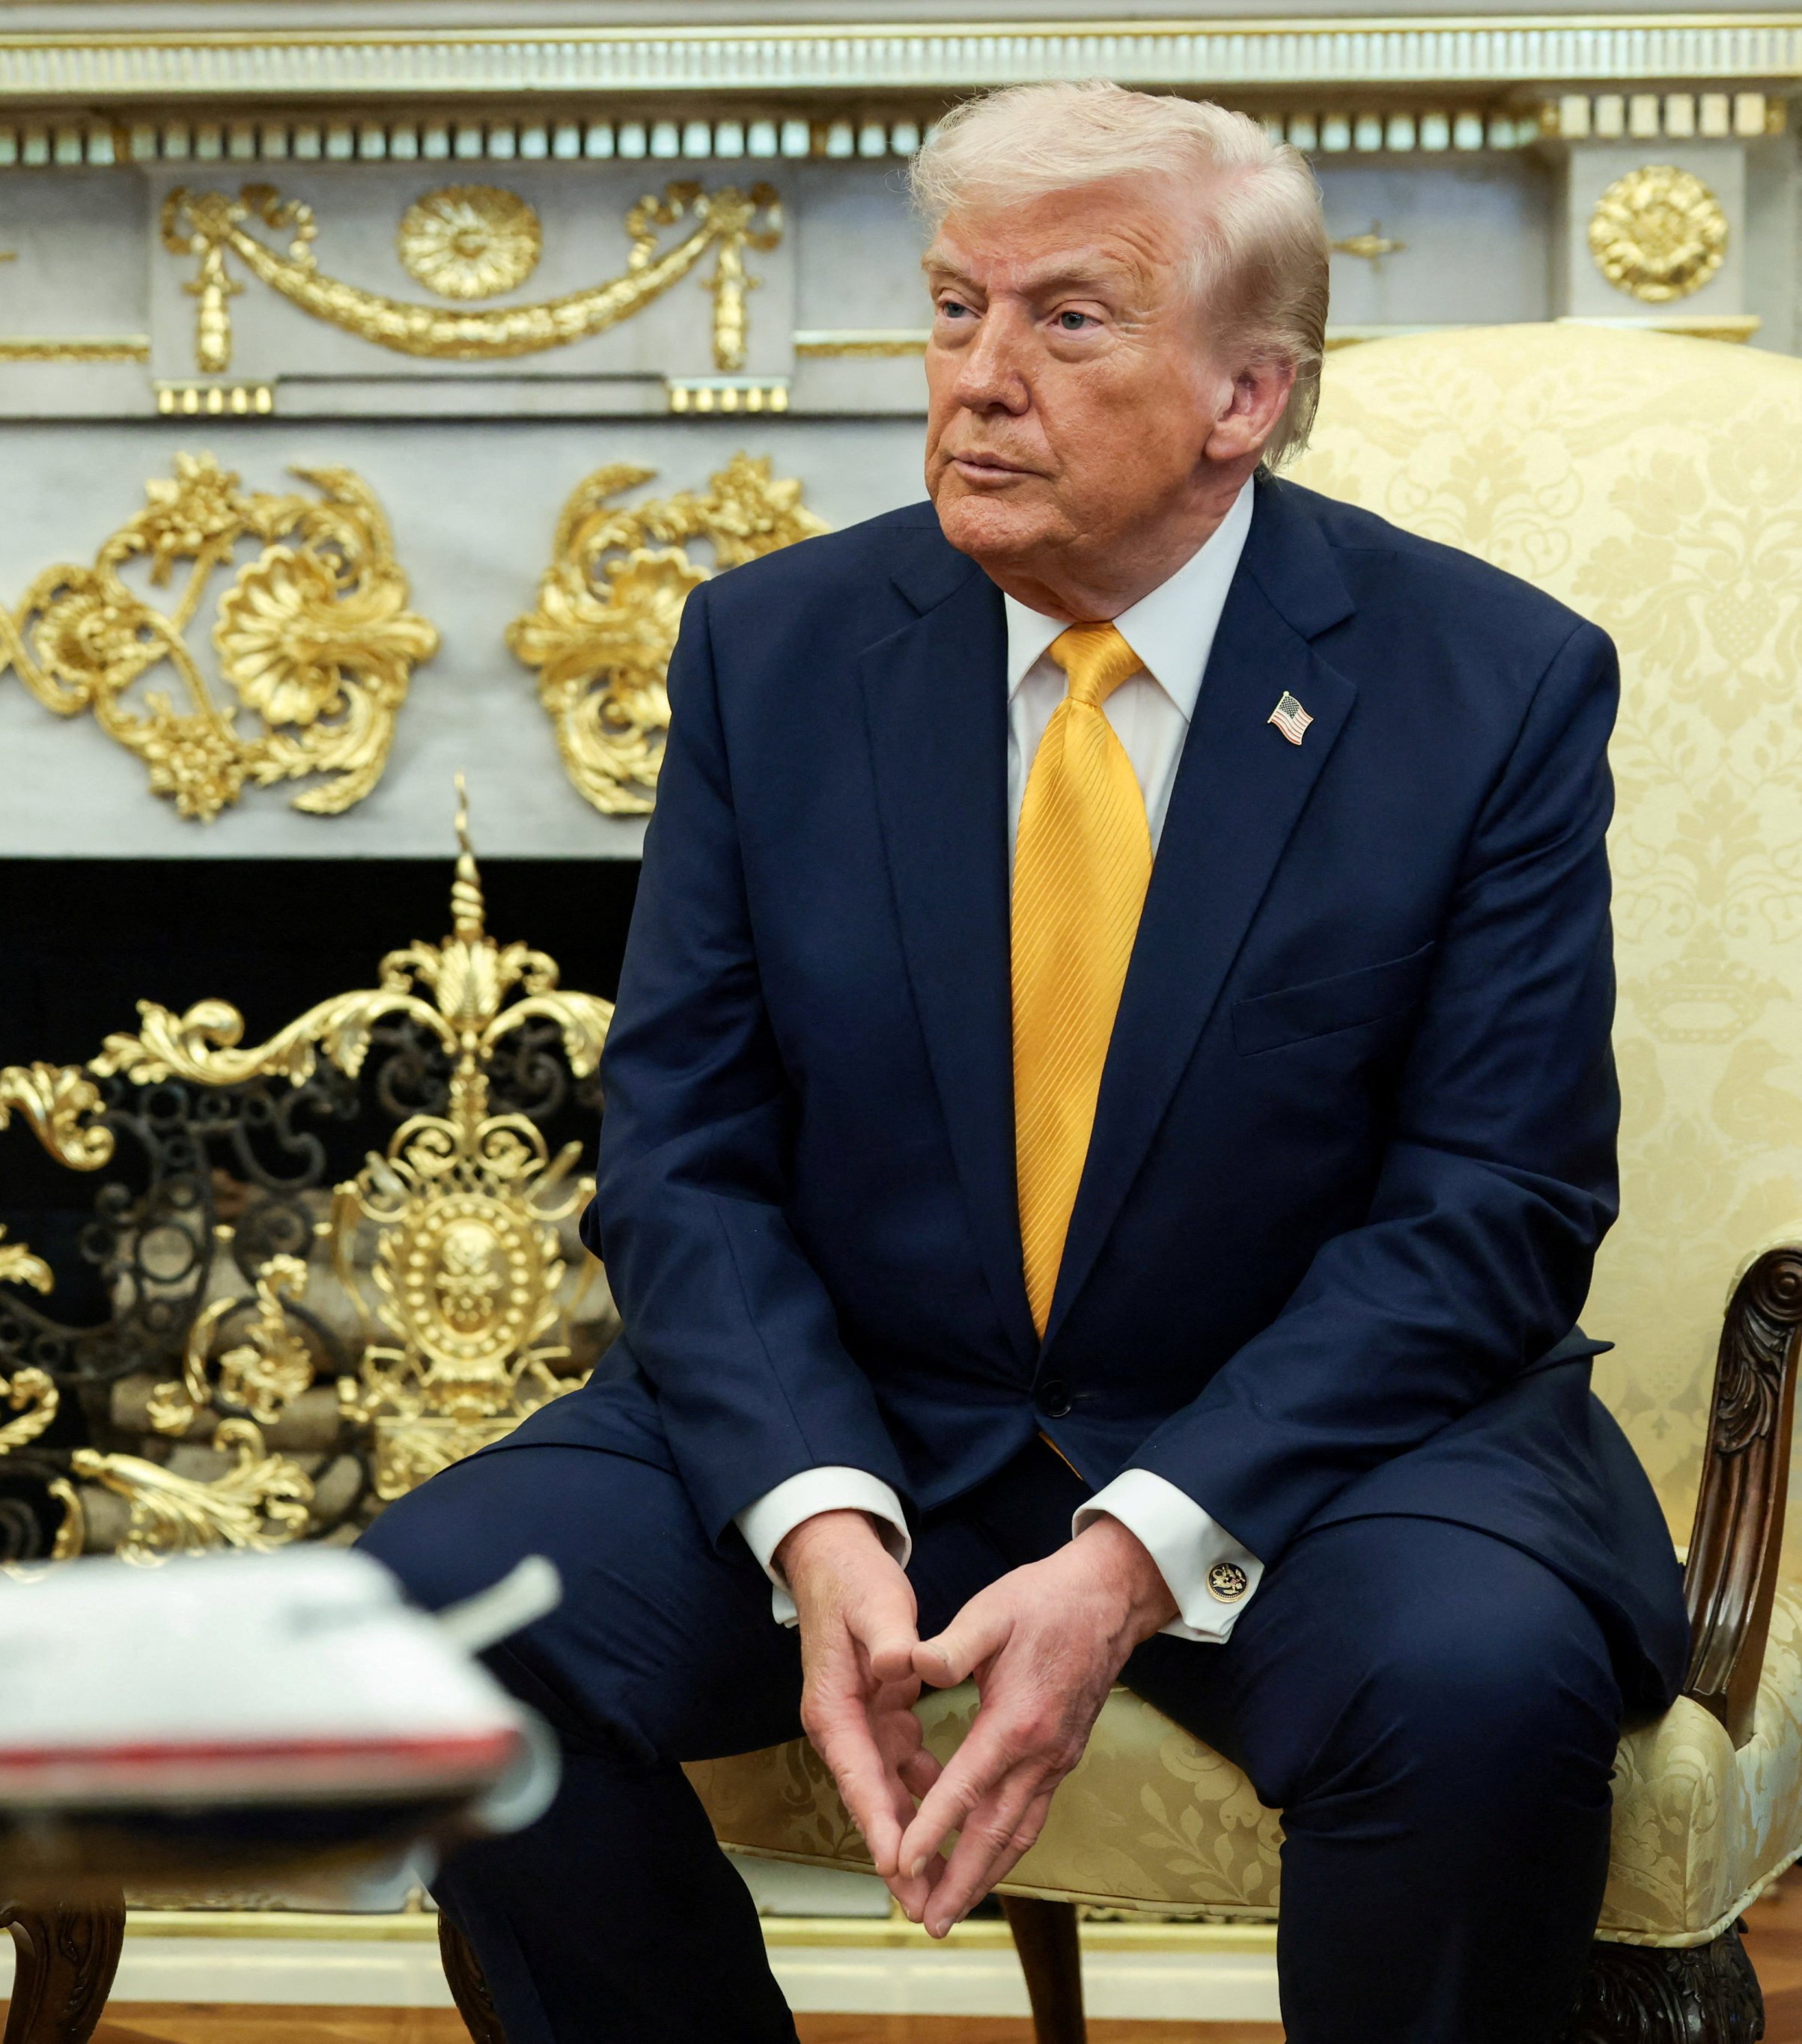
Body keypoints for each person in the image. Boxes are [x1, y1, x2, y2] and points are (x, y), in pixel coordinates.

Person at [359, 81, 1684, 2044]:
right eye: (957, 309)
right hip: (881, 1410)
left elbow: (1497, 1209)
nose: (978, 381)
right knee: (425, 1632)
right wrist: (814, 1509)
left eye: (1067, 322)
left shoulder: (1485, 685)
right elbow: (685, 1157)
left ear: (1245, 397)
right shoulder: (776, 650)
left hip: (1324, 1451)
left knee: (1476, 1684)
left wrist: (1137, 1546)